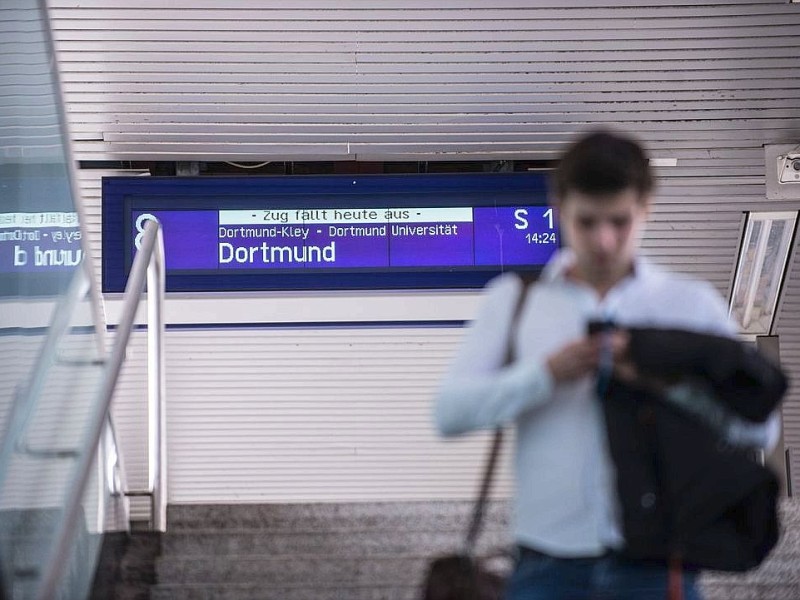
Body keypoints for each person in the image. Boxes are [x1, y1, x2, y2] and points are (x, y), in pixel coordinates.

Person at [433, 129, 778, 599]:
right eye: (587, 221)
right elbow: (449, 413)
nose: (603, 241)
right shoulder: (514, 301)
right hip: (545, 564)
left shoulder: (689, 305)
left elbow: (760, 429)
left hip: (658, 567)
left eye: (619, 221)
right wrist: (544, 375)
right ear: (558, 208)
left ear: (647, 207)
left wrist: (662, 383)